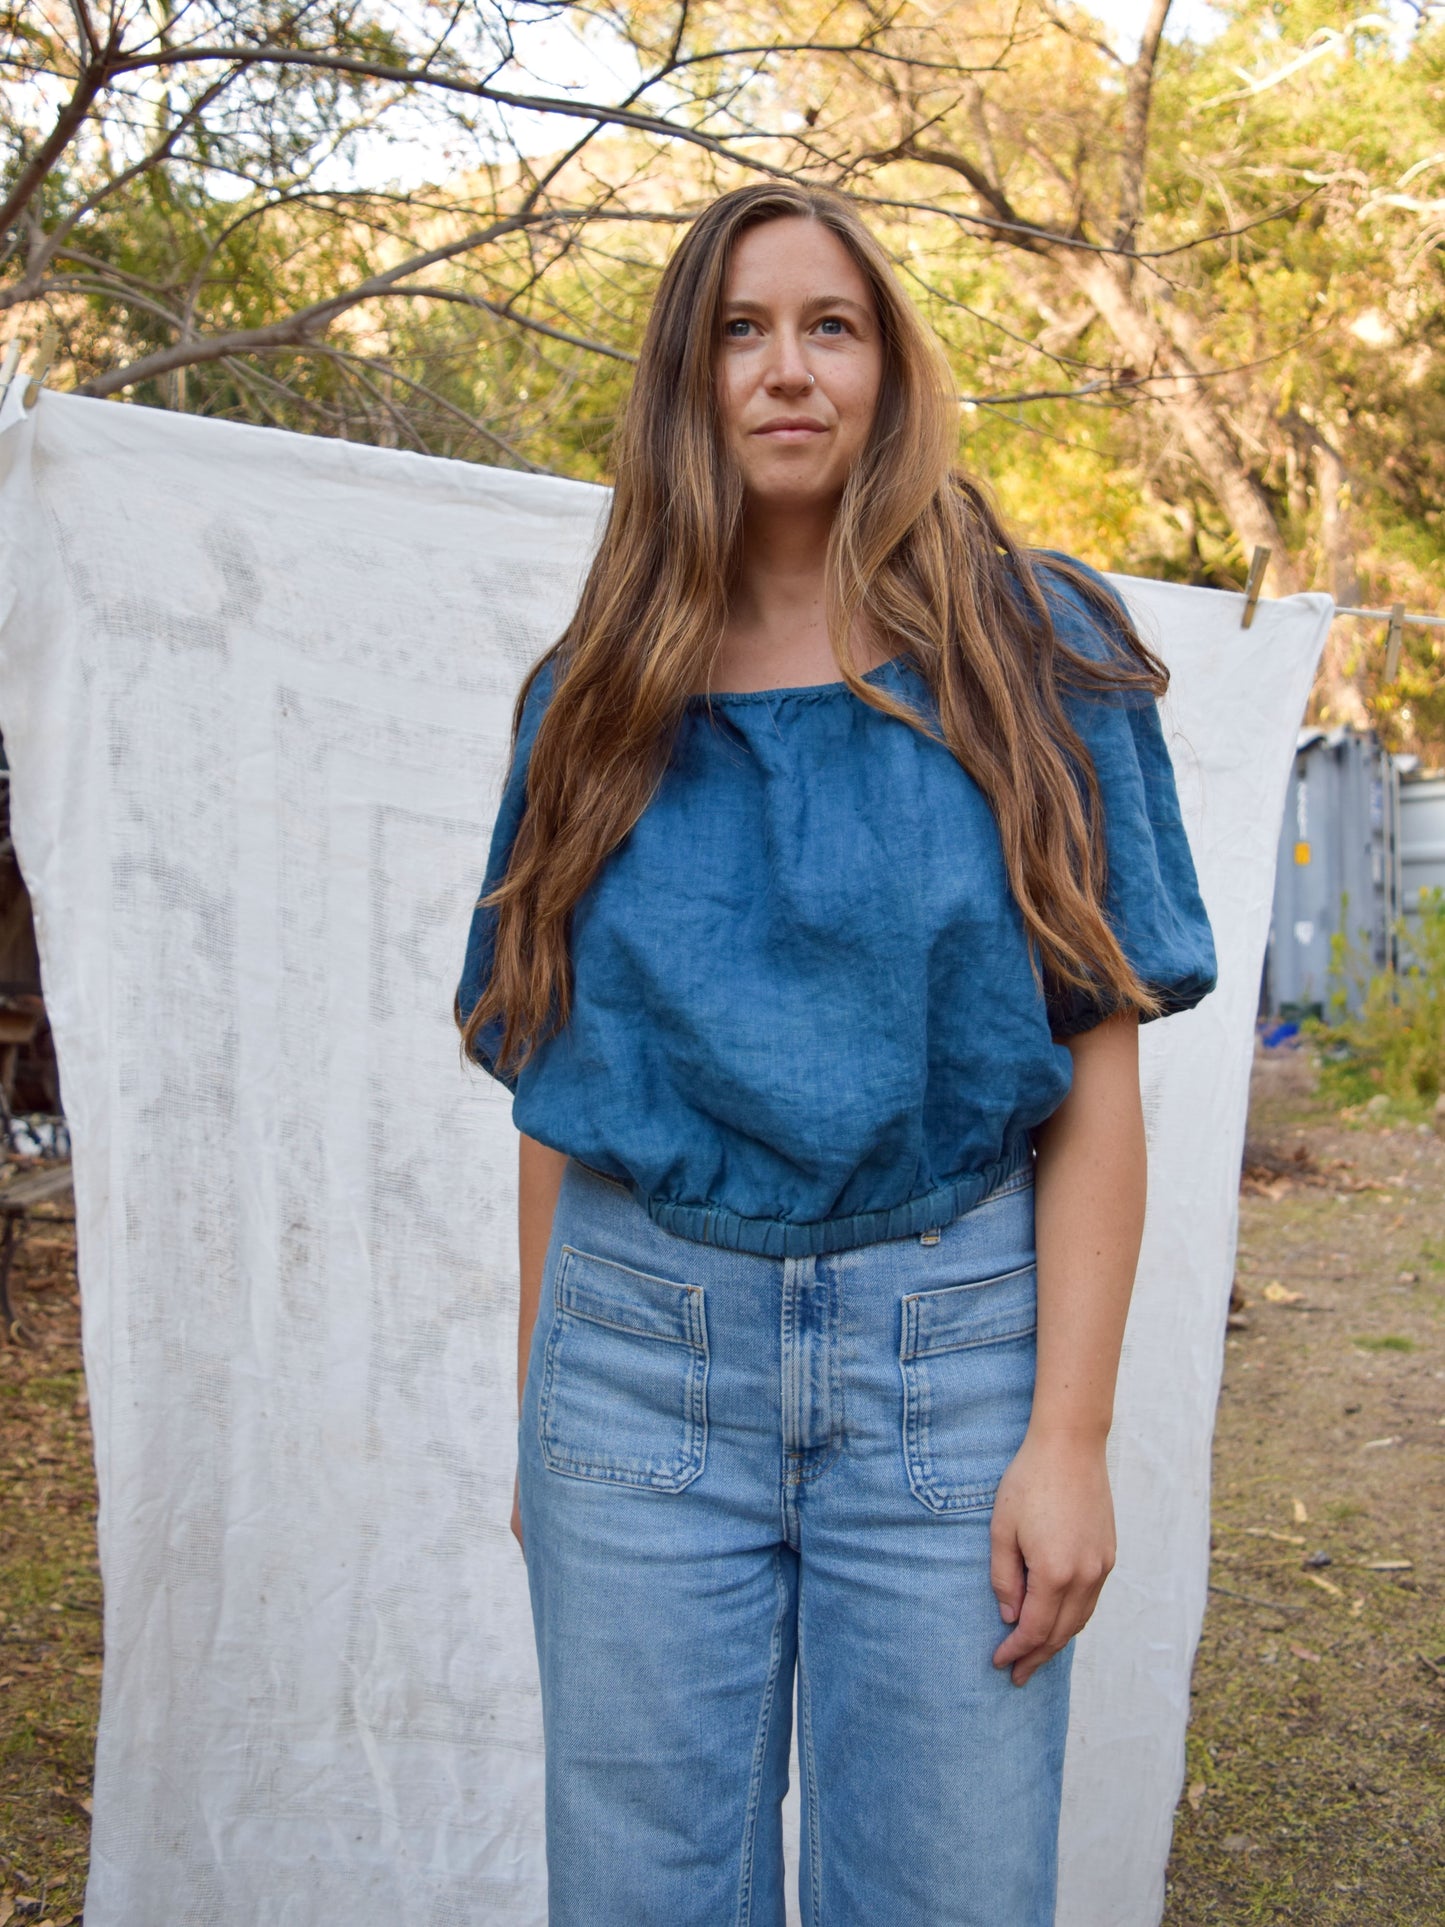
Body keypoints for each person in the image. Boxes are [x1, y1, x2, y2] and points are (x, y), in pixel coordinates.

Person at [455, 181, 1217, 1927]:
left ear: (886, 366)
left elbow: (1093, 1078)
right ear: (685, 380)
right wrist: (535, 1419)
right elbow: (558, 1104)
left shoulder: (1037, 652)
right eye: (738, 330)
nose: (784, 370)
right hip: (637, 1369)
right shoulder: (589, 700)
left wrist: (1070, 1439)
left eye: (829, 326)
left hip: (947, 1370)